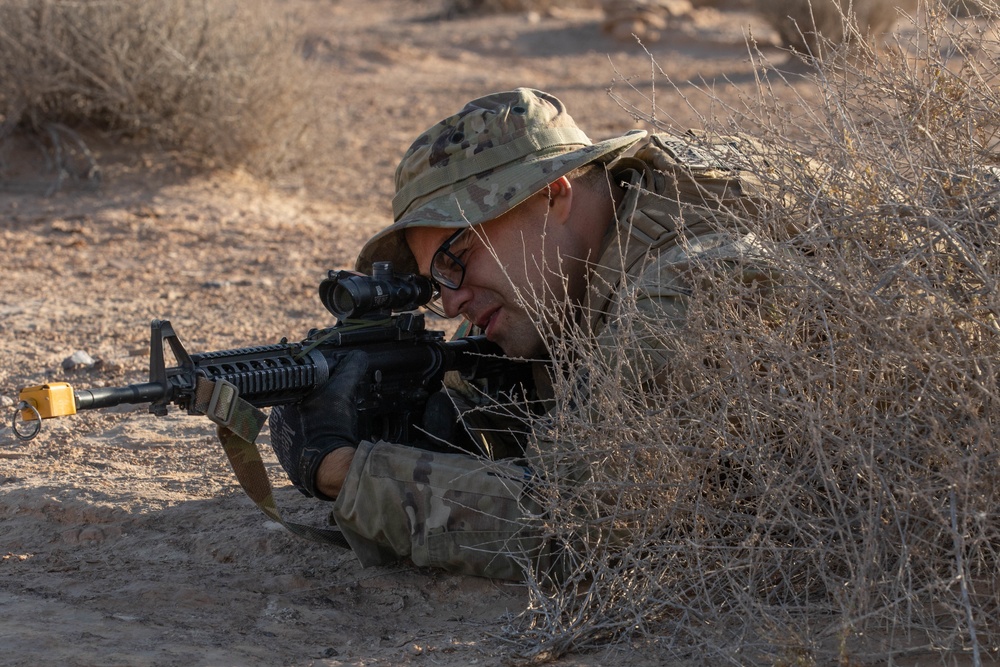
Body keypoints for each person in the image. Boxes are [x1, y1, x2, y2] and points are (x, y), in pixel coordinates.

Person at [267, 88, 781, 580]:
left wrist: (348, 473)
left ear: (553, 194)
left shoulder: (684, 288)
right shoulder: (548, 281)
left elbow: (577, 528)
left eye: (456, 258)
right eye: (435, 280)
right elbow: (495, 422)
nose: (450, 302)